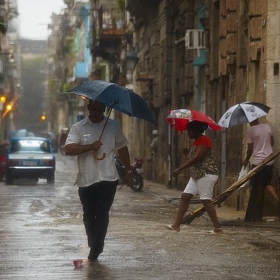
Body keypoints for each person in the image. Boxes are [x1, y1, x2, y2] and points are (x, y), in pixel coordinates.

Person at [64, 100, 133, 261]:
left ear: (104, 110)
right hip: (86, 180)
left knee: (102, 213)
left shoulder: (113, 127)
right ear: (88, 108)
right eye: (93, 109)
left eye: (100, 110)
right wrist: (89, 146)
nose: (96, 113)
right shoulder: (78, 128)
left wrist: (129, 170)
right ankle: (93, 242)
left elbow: (122, 148)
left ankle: (97, 246)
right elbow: (68, 149)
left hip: (108, 179)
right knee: (89, 214)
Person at [165, 121, 223, 233]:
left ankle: (217, 228)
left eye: (189, 131)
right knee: (185, 196)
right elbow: (194, 158)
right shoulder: (196, 141)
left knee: (206, 200)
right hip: (197, 174)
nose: (188, 134)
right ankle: (176, 225)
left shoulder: (204, 140)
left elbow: (197, 158)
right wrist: (187, 153)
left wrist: (180, 168)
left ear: (196, 130)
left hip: (206, 173)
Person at [243, 118, 279, 222]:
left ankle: (253, 213)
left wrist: (246, 160)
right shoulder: (267, 127)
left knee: (254, 186)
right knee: (267, 183)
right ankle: (277, 200)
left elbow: (250, 149)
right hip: (269, 160)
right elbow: (272, 142)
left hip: (258, 162)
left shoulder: (250, 130)